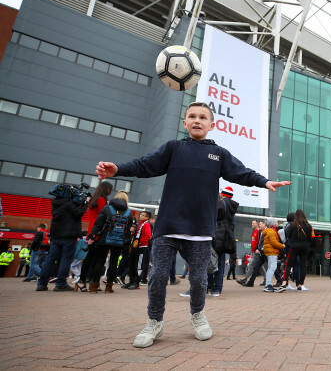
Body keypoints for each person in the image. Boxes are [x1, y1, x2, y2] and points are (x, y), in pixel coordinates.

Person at [95, 101, 290, 348]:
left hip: (200, 231)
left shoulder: (218, 154)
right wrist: (118, 169)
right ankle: (154, 321)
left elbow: (242, 172)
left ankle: (197, 315)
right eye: (192, 116)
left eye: (202, 117)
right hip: (168, 227)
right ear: (184, 123)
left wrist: (265, 182)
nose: (197, 120)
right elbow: (145, 164)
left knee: (199, 279)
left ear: (211, 124)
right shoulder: (173, 148)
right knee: (157, 276)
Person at [36, 188, 87, 292]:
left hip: (56, 235)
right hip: (69, 235)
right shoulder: (69, 204)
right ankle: (60, 283)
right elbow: (79, 213)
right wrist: (85, 204)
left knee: (50, 258)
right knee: (66, 259)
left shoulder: (55, 203)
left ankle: (42, 283)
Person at [87, 190, 134, 294]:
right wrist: (126, 243)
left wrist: (92, 236)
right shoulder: (128, 212)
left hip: (104, 239)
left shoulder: (107, 208)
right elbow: (128, 229)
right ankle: (109, 287)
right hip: (119, 241)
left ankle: (94, 286)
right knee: (113, 263)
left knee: (100, 261)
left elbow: (98, 223)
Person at [209, 188, 239, 296]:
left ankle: (210, 285)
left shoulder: (220, 204)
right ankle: (217, 288)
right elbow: (233, 225)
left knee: (211, 260)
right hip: (226, 238)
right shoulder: (232, 209)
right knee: (221, 262)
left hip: (217, 236)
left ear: (223, 195)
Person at [279, 209, 312, 292]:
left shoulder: (292, 225)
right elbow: (310, 238)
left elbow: (289, 236)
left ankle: (284, 283)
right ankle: (300, 285)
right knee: (303, 265)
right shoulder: (308, 226)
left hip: (294, 246)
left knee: (288, 264)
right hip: (304, 247)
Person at [122, 211, 152, 290]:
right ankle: (131, 281)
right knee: (132, 264)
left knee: (138, 265)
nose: (140, 216)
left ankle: (136, 282)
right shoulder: (140, 224)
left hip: (142, 247)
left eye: (143, 215)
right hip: (136, 247)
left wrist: (139, 242)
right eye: (140, 215)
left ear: (147, 217)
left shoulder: (146, 224)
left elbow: (147, 236)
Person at [262, 218, 283, 292]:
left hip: (270, 252)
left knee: (271, 268)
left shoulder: (270, 231)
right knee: (272, 268)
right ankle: (268, 285)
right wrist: (282, 245)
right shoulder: (272, 232)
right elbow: (274, 243)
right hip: (272, 252)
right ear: (273, 223)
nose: (277, 223)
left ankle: (267, 284)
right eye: (276, 222)